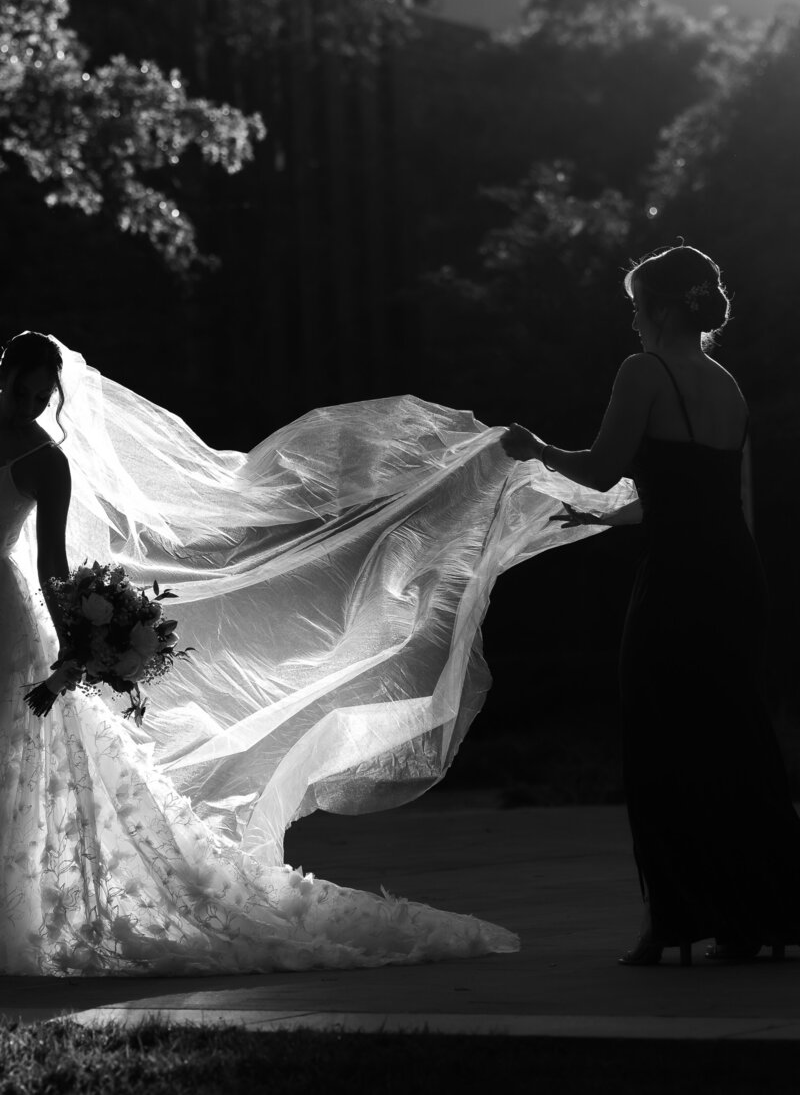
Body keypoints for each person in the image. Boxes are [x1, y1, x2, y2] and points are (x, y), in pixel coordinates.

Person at [0, 330, 530, 975]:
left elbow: (53, 566)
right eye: (15, 388)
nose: (23, 403)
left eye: (36, 395)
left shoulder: (45, 461)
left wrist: (73, 653)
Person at [501, 243, 800, 966]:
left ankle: (676, 915)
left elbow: (604, 469)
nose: (632, 323)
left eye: (637, 308)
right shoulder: (726, 384)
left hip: (677, 580)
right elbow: (702, 497)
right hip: (732, 576)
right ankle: (758, 909)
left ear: (664, 310)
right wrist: (612, 521)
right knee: (734, 738)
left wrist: (536, 448)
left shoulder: (645, 371)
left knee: (661, 737)